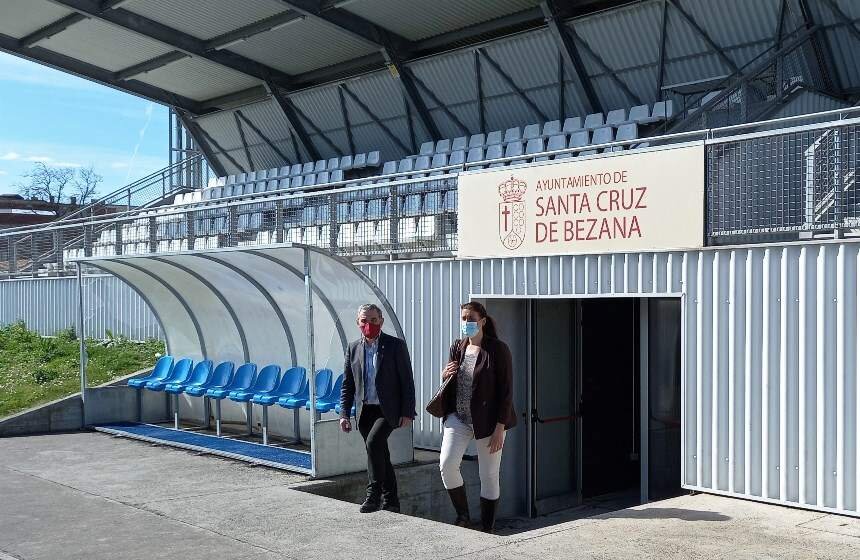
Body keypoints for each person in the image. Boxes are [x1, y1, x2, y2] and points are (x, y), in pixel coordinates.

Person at [438, 301, 516, 533]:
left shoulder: (497, 349)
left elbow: (507, 390)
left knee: (489, 475)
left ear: (482, 321)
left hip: (489, 422)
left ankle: (487, 528)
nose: (466, 323)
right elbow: (453, 383)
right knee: (447, 465)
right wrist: (444, 375)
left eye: (471, 318)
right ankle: (463, 516)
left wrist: (500, 426)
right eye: (463, 318)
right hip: (459, 417)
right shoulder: (458, 347)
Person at [340, 303, 416, 513]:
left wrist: (408, 411)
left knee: (374, 443)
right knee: (380, 453)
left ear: (381, 321)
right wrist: (344, 414)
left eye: (373, 320)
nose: (369, 324)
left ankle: (372, 495)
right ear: (358, 323)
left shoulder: (394, 346)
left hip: (387, 410)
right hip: (365, 411)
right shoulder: (353, 348)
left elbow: (406, 382)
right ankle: (391, 501)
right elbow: (348, 384)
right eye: (364, 320)